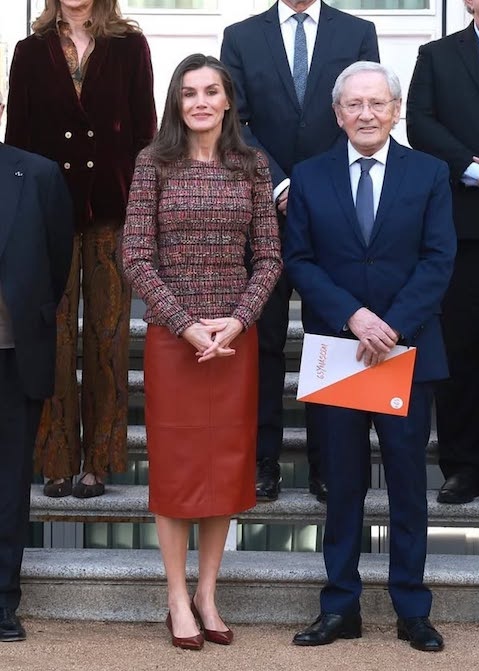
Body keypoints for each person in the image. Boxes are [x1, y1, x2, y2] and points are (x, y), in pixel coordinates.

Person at [284, 61, 456, 651]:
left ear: (396, 110)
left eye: (377, 103)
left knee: (407, 485)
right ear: (337, 114)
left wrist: (392, 325)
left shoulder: (429, 173)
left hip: (406, 351)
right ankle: (340, 606)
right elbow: (300, 259)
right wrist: (352, 315)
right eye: (353, 104)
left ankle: (412, 608)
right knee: (342, 484)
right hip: (339, 349)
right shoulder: (309, 176)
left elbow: (438, 258)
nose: (365, 114)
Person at [122, 53, 282, 650]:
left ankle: (208, 594)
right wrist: (186, 325)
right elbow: (135, 255)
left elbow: (269, 256)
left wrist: (238, 320)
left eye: (211, 91)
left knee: (225, 468)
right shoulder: (153, 163)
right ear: (176, 102)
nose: (200, 103)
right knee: (176, 469)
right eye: (189, 93)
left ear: (228, 100)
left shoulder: (252, 165)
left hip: (234, 343)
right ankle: (175, 597)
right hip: (174, 342)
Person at [221, 0, 379, 502]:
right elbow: (235, 123)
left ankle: (328, 464)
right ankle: (261, 462)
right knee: (263, 342)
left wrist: (313, 185)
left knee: (330, 337)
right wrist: (281, 183)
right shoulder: (241, 36)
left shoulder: (357, 31)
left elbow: (361, 117)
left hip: (335, 213)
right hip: (262, 211)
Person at [5, 0, 157, 499]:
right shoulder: (30, 51)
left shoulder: (130, 46)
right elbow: (16, 141)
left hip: (112, 213)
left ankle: (100, 462)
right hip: (45, 216)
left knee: (107, 338)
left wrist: (142, 207)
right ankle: (55, 461)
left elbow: (145, 134)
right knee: (50, 336)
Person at [406, 0, 479, 504]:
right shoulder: (436, 56)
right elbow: (420, 125)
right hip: (462, 231)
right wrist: (476, 170)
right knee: (460, 352)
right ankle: (464, 466)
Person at [0, 91, 74, 641]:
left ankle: (3, 600)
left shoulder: (39, 174)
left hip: (13, 353)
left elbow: (57, 260)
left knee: (8, 484)